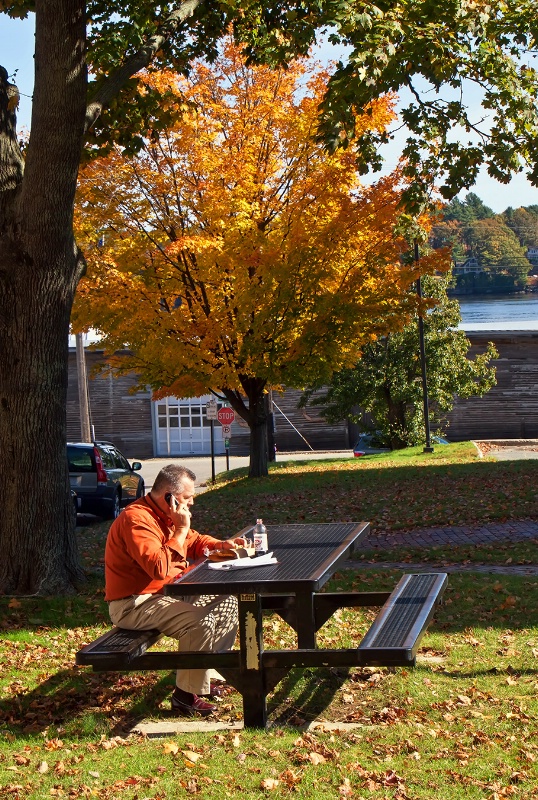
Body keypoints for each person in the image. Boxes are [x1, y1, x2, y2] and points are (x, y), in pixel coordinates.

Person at [104, 463, 247, 717]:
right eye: (187, 498)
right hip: (134, 603)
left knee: (227, 601)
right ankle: (185, 698)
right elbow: (158, 568)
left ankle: (207, 676)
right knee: (200, 622)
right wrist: (180, 529)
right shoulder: (136, 519)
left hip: (166, 594)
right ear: (169, 497)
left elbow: (194, 541)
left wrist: (224, 545)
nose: (191, 503)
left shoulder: (164, 516)